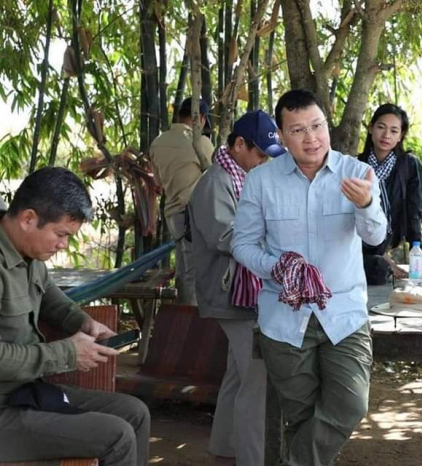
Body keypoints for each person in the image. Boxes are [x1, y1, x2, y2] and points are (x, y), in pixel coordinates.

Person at [232, 89, 387, 466]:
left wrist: (366, 204)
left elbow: (376, 237)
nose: (311, 138)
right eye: (298, 130)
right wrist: (278, 267)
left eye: (317, 126)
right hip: (284, 317)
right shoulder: (261, 180)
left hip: (344, 313)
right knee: (301, 419)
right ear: (283, 136)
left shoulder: (356, 172)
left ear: (327, 125)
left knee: (351, 405)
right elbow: (242, 244)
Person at [0, 167, 150, 465]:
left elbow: (49, 296)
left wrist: (83, 322)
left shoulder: (28, 254)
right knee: (117, 435)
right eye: (60, 234)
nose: (63, 245)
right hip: (6, 410)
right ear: (28, 219)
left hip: (25, 392)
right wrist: (67, 353)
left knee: (136, 413)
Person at [188, 110, 285, 466]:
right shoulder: (216, 182)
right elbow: (226, 237)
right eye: (260, 154)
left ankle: (225, 449)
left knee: (238, 375)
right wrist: (278, 243)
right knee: (258, 381)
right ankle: (253, 458)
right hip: (231, 292)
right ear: (239, 144)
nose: (264, 162)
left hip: (242, 291)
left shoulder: (240, 177)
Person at [150, 96, 215, 305]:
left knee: (184, 269)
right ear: (201, 118)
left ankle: (184, 313)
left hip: (172, 215)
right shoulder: (201, 143)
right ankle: (193, 317)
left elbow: (157, 183)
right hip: (194, 216)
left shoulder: (158, 143)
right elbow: (216, 177)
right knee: (196, 272)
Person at [357, 103, 422, 280]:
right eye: (381, 127)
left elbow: (414, 211)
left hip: (389, 238)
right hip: (358, 245)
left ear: (400, 136)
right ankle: (380, 263)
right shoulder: (356, 165)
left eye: (394, 131)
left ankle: (381, 262)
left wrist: (416, 258)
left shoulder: (409, 165)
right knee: (378, 270)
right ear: (371, 128)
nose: (386, 135)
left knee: (379, 270)